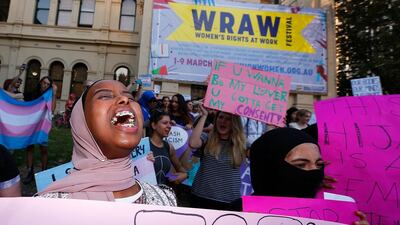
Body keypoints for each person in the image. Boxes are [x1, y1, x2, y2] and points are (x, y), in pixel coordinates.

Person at [38, 80, 176, 205]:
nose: (124, 99)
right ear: (81, 121)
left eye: (130, 98)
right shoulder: (46, 209)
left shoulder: (165, 200)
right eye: (105, 96)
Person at [250, 128, 369, 225]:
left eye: (319, 164)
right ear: (269, 167)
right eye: (301, 164)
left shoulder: (337, 213)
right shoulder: (237, 215)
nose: (314, 172)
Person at [189, 103, 246, 211]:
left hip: (229, 201)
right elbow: (193, 143)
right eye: (220, 117)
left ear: (234, 123)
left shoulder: (242, 144)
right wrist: (204, 115)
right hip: (201, 197)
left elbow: (264, 152)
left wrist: (273, 128)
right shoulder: (208, 137)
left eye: (228, 119)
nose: (223, 121)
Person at [23, 76, 57, 183]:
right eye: (44, 83)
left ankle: (44, 174)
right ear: (40, 83)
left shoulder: (49, 96)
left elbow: (52, 109)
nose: (45, 86)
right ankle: (29, 173)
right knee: (30, 148)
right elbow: (21, 101)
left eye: (48, 84)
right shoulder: (32, 94)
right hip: (32, 124)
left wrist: (54, 93)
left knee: (44, 149)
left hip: (43, 126)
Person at [149, 110, 188, 185]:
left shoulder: (169, 147)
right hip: (144, 193)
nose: (169, 126)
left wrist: (185, 175)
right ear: (154, 125)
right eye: (165, 123)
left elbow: (181, 169)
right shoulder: (143, 145)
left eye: (170, 123)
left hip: (162, 193)